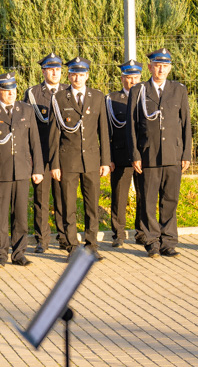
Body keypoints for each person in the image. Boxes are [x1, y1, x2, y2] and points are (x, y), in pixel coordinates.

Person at [127, 48, 192, 258]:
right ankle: (152, 241)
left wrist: (186, 153)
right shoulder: (139, 90)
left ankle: (168, 242)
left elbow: (186, 124)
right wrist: (135, 155)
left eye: (165, 65)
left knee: (170, 199)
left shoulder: (179, 90)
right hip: (149, 155)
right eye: (157, 65)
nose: (161, 69)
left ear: (170, 68)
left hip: (173, 154)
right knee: (147, 200)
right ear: (149, 67)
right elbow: (132, 126)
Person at [0, 72, 43, 268]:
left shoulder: (26, 110)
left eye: (13, 89)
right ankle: (0, 253)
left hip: (21, 170)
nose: (11, 93)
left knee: (21, 215)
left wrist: (37, 168)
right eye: (6, 90)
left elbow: (35, 143)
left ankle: (19, 253)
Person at [49, 56, 110, 259]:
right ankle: (73, 246)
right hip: (68, 160)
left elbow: (104, 132)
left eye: (81, 74)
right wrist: (55, 164)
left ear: (87, 75)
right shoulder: (58, 98)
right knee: (69, 205)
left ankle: (92, 245)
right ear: (69, 75)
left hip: (92, 160)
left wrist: (105, 161)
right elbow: (54, 134)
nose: (78, 78)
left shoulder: (98, 97)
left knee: (92, 204)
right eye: (74, 74)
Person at [23, 52, 67, 253]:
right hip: (40, 153)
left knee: (63, 197)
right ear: (43, 71)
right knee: (41, 198)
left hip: (64, 154)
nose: (55, 73)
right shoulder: (32, 93)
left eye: (58, 69)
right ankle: (42, 239)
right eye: (51, 69)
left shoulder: (68, 91)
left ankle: (65, 237)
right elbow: (26, 126)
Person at [105, 59, 143, 247]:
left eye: (135, 77)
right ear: (122, 79)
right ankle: (118, 234)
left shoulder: (146, 97)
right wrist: (109, 158)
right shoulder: (111, 99)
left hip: (143, 156)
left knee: (144, 195)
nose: (132, 81)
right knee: (119, 196)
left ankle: (141, 232)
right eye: (128, 77)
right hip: (120, 155)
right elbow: (107, 131)